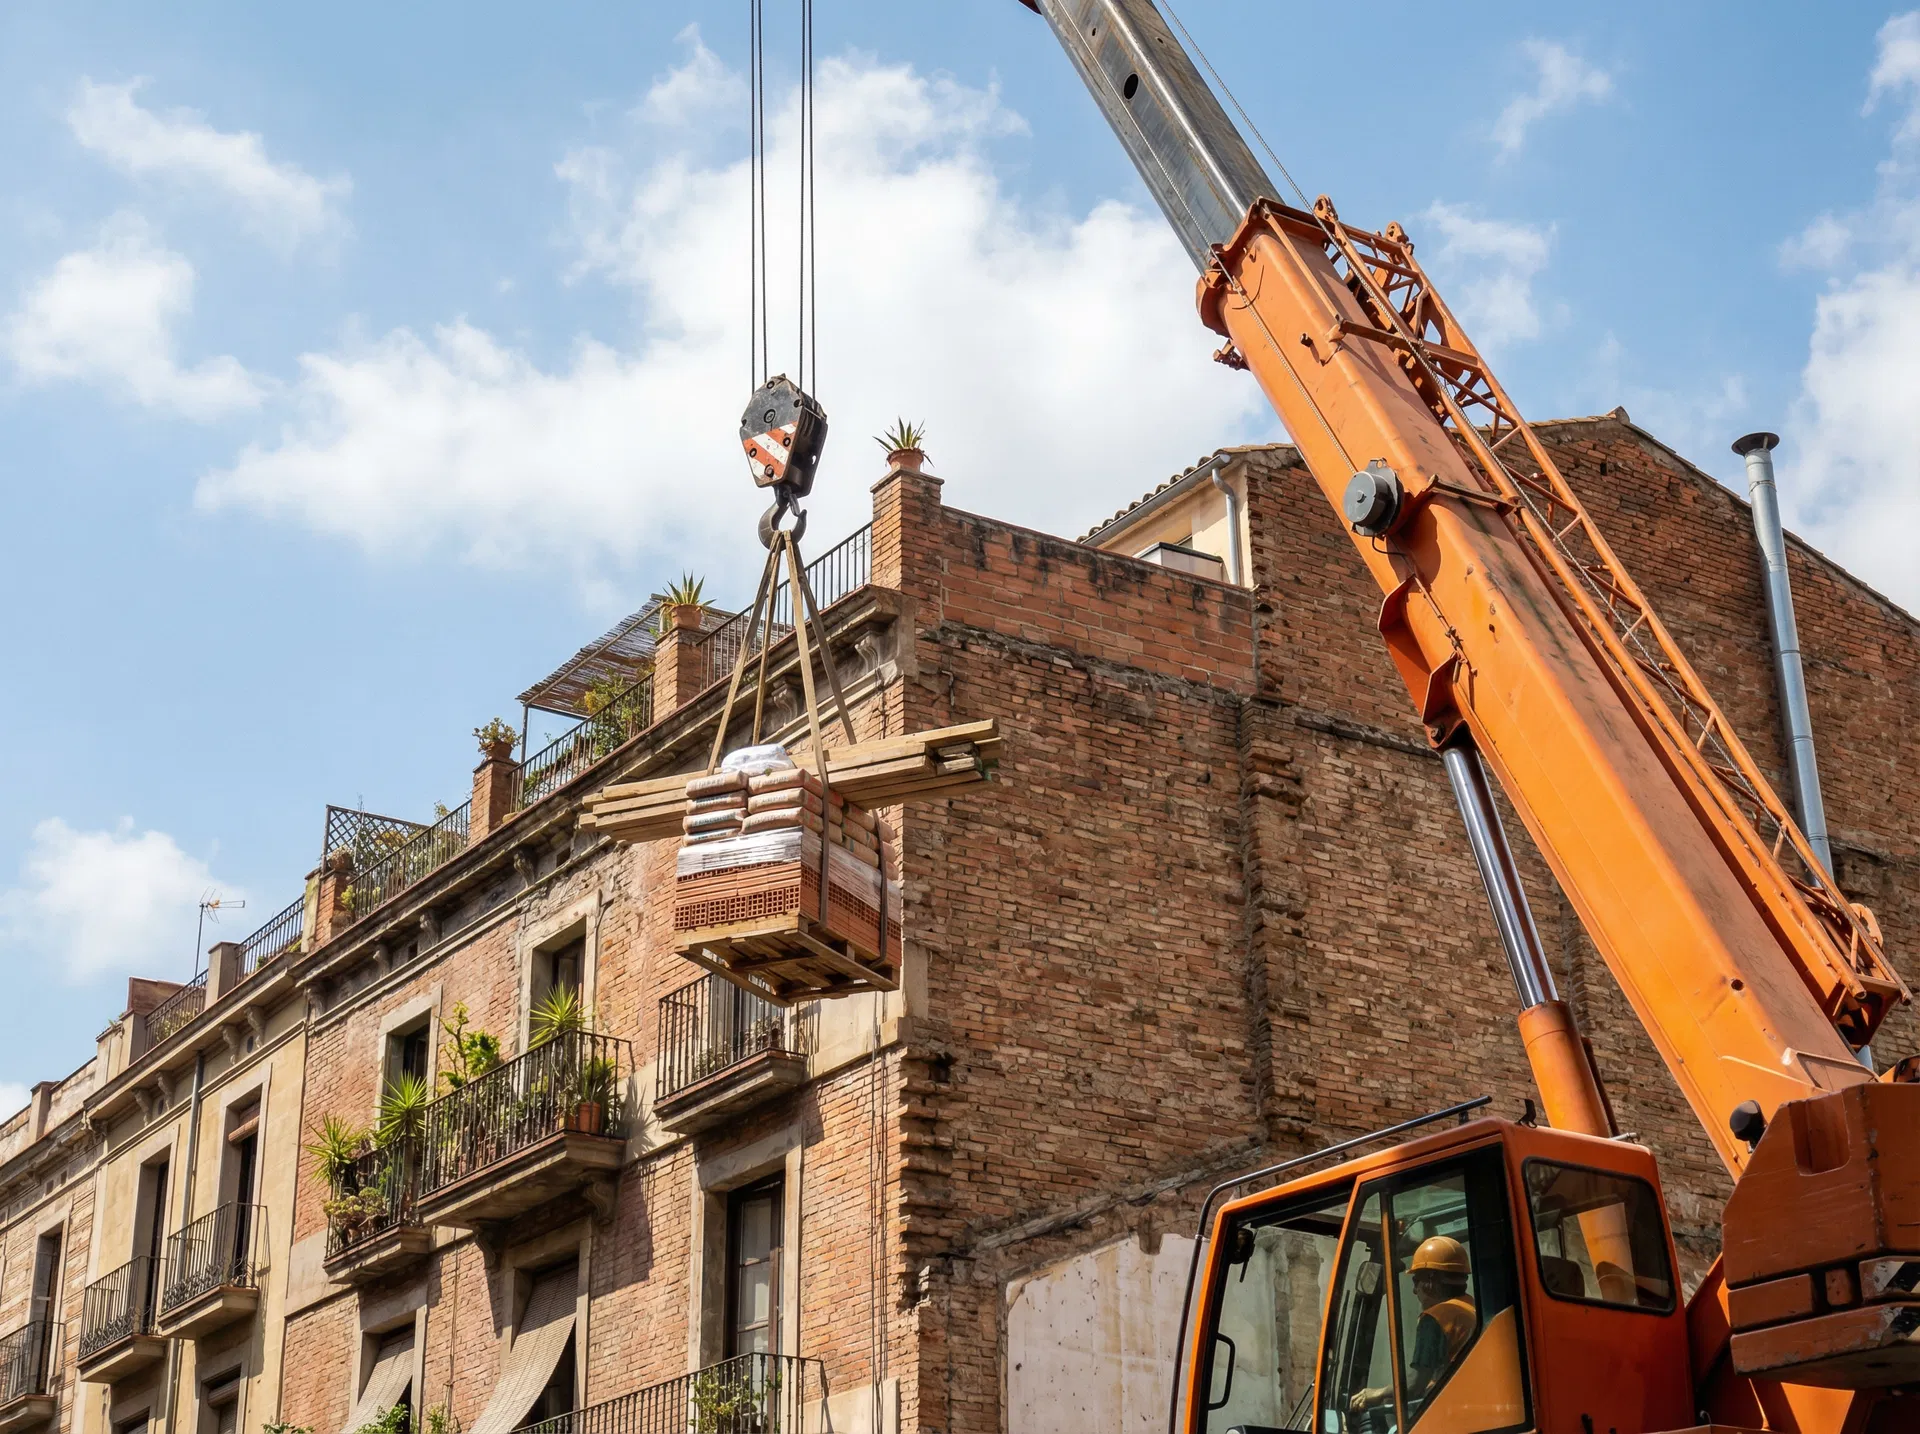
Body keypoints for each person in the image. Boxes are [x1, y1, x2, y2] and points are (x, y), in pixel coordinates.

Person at [1349, 1236, 1477, 1418]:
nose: (1415, 1290)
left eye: (1416, 1281)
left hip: (1449, 1414)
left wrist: (1377, 1393)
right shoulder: (1470, 1308)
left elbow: (1415, 1385)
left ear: (1430, 1281)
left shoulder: (1435, 1318)